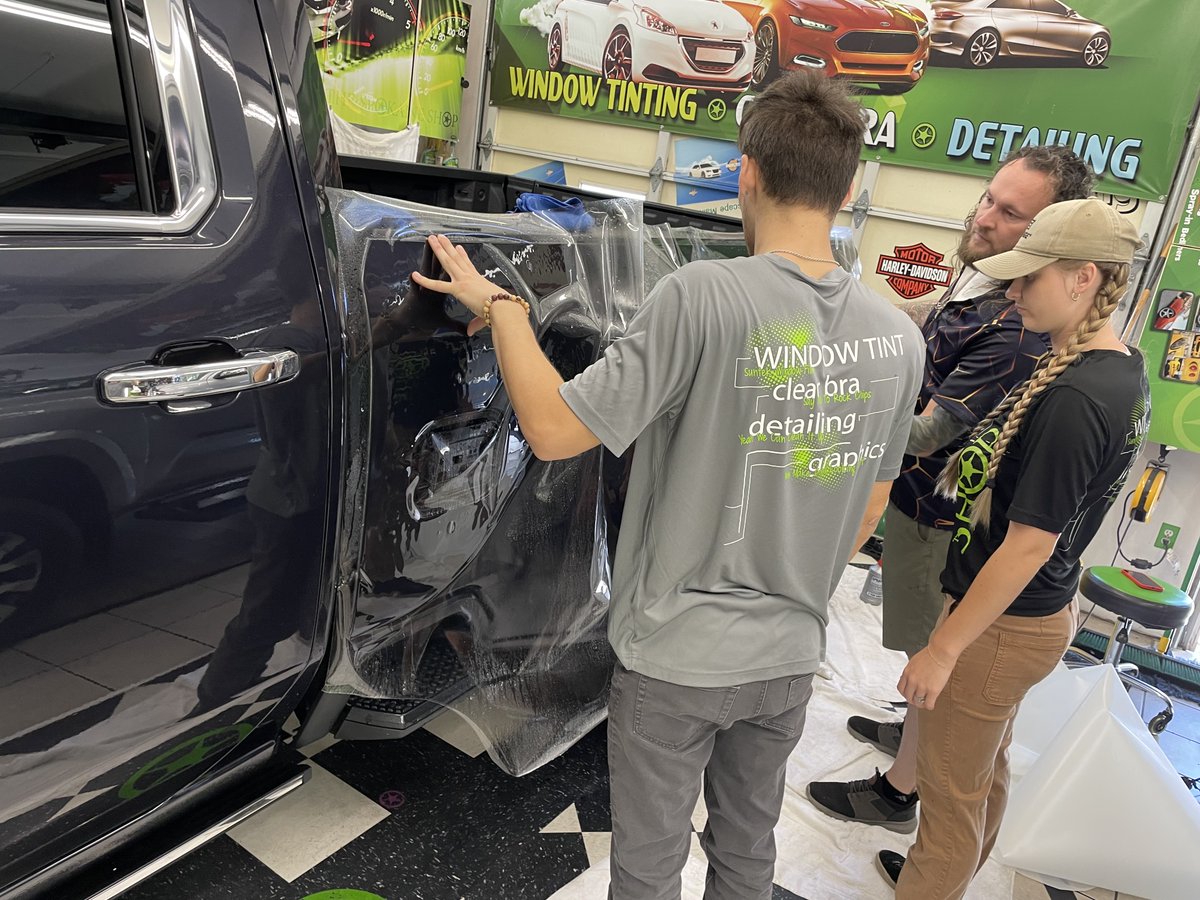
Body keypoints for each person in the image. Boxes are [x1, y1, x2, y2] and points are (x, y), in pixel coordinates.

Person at [414, 71, 923, 900]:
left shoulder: (702, 296)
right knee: (746, 853)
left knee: (648, 869)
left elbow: (552, 430)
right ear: (852, 184)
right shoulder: (897, 338)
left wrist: (502, 308)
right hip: (790, 653)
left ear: (747, 173)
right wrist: (791, 589)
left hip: (680, 659)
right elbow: (872, 496)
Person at [806, 146, 1095, 833]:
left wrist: (828, 409)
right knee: (917, 645)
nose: (985, 217)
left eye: (1010, 213)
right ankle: (912, 735)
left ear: (1047, 237)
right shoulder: (979, 281)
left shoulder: (1018, 326)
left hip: (940, 515)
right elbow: (928, 328)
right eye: (989, 198)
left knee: (932, 653)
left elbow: (932, 432)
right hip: (915, 503)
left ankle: (899, 792)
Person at [876, 198, 1148, 896]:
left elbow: (1028, 545)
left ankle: (935, 883)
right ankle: (951, 877)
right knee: (981, 774)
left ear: (1085, 278)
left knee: (947, 805)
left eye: (1032, 278)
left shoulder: (1077, 398)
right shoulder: (1116, 368)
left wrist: (943, 648)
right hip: (1024, 618)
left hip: (1002, 625)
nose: (1016, 292)